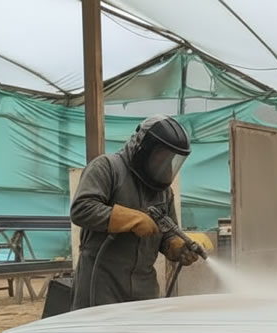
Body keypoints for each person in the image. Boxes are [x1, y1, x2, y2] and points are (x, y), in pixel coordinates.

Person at [70, 115, 200, 309]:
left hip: (144, 288)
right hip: (101, 285)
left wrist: (177, 247)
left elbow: (168, 233)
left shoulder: (164, 191)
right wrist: (129, 218)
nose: (166, 163)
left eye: (171, 158)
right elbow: (81, 208)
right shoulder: (107, 168)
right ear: (143, 148)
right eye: (162, 155)